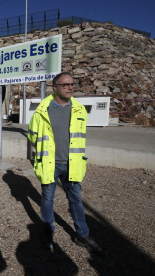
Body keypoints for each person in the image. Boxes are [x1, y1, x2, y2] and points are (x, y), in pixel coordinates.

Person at [28, 72, 105, 255]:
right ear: (55, 88)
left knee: (76, 200)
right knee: (47, 199)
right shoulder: (42, 109)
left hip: (72, 164)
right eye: (65, 85)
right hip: (50, 163)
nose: (70, 87)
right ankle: (48, 232)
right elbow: (32, 134)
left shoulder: (79, 109)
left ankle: (82, 235)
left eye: (72, 84)